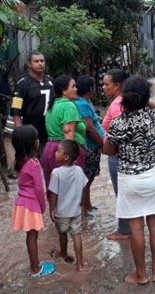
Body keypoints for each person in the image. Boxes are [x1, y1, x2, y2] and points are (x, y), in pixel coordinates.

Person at [103, 75, 155, 284]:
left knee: (135, 228)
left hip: (129, 179)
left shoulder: (118, 123)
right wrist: (146, 102)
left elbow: (108, 149)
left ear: (124, 97)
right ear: (146, 97)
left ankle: (141, 275)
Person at [11, 125, 56, 278]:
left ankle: (34, 264)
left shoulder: (19, 160)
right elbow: (38, 189)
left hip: (21, 202)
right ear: (32, 143)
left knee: (30, 236)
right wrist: (43, 206)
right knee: (32, 237)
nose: (38, 141)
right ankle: (36, 269)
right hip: (31, 204)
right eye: (36, 139)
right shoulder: (34, 163)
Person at [42, 75, 87, 204]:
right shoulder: (68, 106)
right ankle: (76, 222)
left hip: (50, 149)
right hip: (65, 150)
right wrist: (73, 158)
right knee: (71, 196)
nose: (76, 89)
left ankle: (58, 222)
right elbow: (68, 132)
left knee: (55, 193)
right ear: (64, 91)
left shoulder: (53, 105)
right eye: (73, 86)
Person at [49, 139, 88, 272]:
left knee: (62, 233)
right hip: (75, 211)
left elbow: (53, 194)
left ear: (66, 157)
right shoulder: (78, 170)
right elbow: (84, 188)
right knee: (76, 235)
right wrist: (82, 205)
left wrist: (51, 209)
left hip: (62, 212)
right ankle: (80, 264)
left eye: (58, 151)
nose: (55, 152)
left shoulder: (56, 173)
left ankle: (64, 253)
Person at [101, 69, 130, 240]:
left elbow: (122, 133)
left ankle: (125, 229)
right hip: (120, 155)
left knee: (121, 192)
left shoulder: (117, 105)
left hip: (118, 156)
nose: (103, 87)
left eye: (106, 84)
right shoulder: (122, 102)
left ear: (117, 85)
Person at [10, 51, 55, 153]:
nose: (40, 63)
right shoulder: (22, 85)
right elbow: (16, 111)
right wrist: (21, 134)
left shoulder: (50, 81)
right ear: (29, 65)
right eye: (36, 61)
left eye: (42, 61)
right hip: (32, 134)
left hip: (51, 133)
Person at [74, 75, 104, 216]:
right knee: (87, 178)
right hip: (90, 146)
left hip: (92, 145)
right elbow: (90, 128)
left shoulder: (85, 102)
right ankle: (83, 209)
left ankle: (87, 204)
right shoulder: (82, 104)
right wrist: (102, 142)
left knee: (89, 177)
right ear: (91, 89)